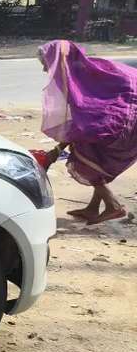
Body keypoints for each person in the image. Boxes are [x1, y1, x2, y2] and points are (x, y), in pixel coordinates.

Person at [38, 40, 137, 225]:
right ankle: (93, 208)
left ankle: (113, 205)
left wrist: (56, 152)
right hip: (127, 117)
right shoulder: (87, 68)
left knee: (83, 158)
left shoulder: (77, 77)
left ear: (57, 61)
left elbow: (83, 121)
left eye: (46, 64)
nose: (45, 70)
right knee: (94, 156)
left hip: (125, 121)